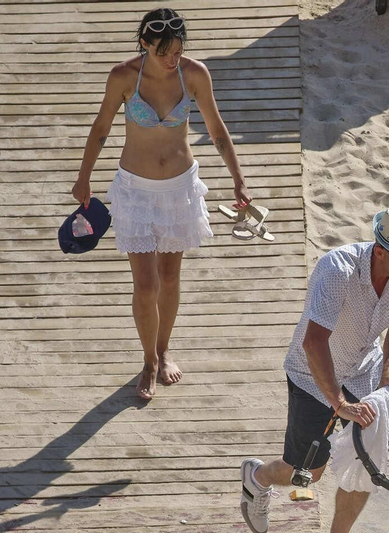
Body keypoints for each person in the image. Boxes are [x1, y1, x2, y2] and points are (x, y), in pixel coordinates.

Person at [238, 206, 389, 533]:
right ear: (381, 251)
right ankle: (258, 477)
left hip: (364, 372)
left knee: (366, 462)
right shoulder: (337, 270)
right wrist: (338, 403)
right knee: (307, 473)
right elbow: (315, 343)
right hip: (313, 373)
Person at [71, 8, 250, 401]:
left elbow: (217, 130)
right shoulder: (123, 76)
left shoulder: (194, 74)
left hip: (179, 191)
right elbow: (101, 128)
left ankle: (164, 350)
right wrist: (83, 177)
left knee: (169, 279)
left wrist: (238, 179)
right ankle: (148, 360)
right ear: (144, 45)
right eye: (164, 52)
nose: (172, 59)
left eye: (178, 51)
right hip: (135, 190)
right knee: (145, 284)